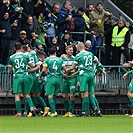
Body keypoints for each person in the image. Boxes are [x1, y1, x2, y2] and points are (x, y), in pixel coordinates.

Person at [66, 42, 101, 116]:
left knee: (84, 94)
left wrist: (67, 70)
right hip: (91, 74)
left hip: (83, 75)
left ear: (78, 48)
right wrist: (100, 70)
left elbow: (73, 67)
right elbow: (97, 62)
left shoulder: (78, 55)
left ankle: (86, 112)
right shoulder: (90, 54)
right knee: (90, 93)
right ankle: (95, 109)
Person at [8, 42, 36, 117]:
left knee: (17, 95)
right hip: (25, 76)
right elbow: (32, 65)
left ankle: (19, 113)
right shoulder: (25, 56)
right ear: (21, 48)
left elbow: (10, 69)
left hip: (17, 77)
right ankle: (32, 107)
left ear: (14, 48)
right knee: (26, 94)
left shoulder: (12, 57)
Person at [21, 45, 49, 117]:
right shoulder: (35, 57)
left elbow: (33, 67)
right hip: (38, 77)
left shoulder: (26, 56)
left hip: (33, 77)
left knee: (29, 94)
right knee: (35, 95)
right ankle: (41, 109)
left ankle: (29, 111)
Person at [39, 47, 64, 117]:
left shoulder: (47, 59)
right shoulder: (60, 60)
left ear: (49, 53)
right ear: (55, 53)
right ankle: (54, 110)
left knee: (50, 96)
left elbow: (44, 70)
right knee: (54, 96)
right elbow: (63, 69)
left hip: (50, 78)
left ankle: (53, 111)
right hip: (58, 79)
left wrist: (40, 76)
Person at [62, 45, 77, 117]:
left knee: (72, 95)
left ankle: (71, 111)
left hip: (72, 79)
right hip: (65, 79)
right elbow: (59, 69)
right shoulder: (62, 59)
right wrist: (63, 74)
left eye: (72, 50)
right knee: (64, 96)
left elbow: (78, 69)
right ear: (66, 51)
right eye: (70, 50)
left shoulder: (75, 59)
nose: (71, 51)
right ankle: (67, 111)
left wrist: (75, 73)